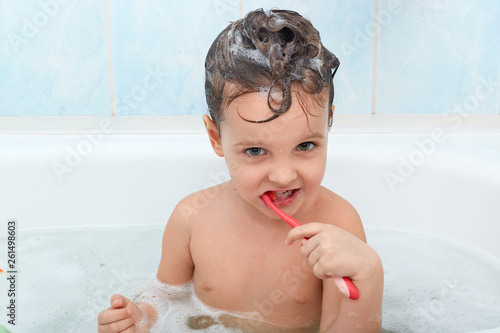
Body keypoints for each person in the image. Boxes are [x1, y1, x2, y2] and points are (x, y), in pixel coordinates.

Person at [98, 8, 383, 332]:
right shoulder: (191, 218)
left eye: (305, 146)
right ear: (216, 137)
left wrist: (369, 275)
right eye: (255, 151)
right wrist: (142, 318)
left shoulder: (338, 225)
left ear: (328, 123)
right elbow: (165, 297)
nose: (283, 175)